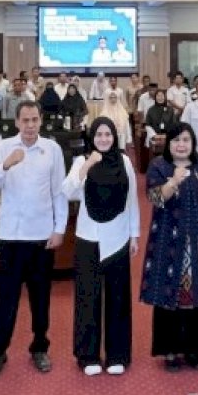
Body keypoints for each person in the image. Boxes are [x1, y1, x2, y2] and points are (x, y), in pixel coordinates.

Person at [0, 101, 68, 378]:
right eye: (25, 120)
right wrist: (6, 165)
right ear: (17, 122)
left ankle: (39, 347)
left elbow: (59, 193)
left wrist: (59, 229)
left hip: (41, 237)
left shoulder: (52, 149)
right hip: (11, 236)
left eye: (34, 120)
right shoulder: (5, 147)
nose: (30, 125)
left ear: (40, 121)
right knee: (5, 299)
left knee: (40, 298)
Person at [140, 123, 198, 371]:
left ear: (193, 142)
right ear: (169, 144)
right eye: (176, 140)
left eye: (186, 140)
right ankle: (170, 351)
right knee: (170, 295)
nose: (181, 145)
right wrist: (173, 181)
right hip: (168, 243)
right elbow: (154, 198)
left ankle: (196, 349)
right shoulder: (159, 166)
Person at [62, 117, 140, 376]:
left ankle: (118, 354)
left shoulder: (125, 162)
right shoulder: (81, 161)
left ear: (114, 137)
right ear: (92, 137)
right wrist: (87, 165)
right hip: (88, 237)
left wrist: (134, 235)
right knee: (88, 298)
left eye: (108, 134)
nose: (104, 139)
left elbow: (132, 201)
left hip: (118, 236)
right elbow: (68, 191)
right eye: (99, 135)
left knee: (117, 298)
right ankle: (88, 356)